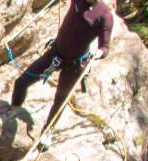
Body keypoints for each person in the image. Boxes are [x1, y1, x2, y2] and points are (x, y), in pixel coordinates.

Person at [11, 0, 114, 149]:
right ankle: (13, 110)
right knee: (21, 83)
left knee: (60, 100)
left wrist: (98, 53)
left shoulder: (105, 16)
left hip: (75, 65)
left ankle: (48, 131)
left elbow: (105, 47)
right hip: (55, 54)